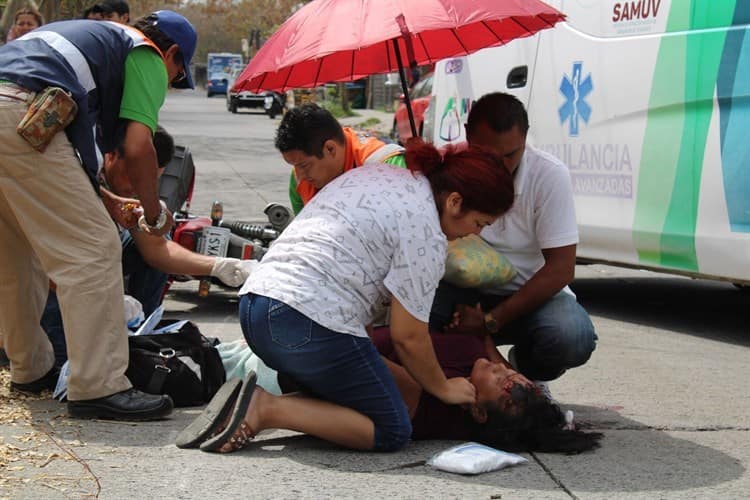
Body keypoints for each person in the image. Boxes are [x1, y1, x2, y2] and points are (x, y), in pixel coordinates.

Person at [185, 139, 515, 454]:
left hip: (256, 306)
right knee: (393, 428)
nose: (476, 233)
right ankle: (264, 409)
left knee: (388, 391)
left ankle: (255, 404)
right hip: (299, 323)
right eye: (479, 223)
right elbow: (409, 337)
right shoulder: (426, 231)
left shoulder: (386, 174)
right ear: (455, 201)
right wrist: (444, 387)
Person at [0, 11, 197, 420]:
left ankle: (30, 368)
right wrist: (153, 211)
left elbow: (70, 159)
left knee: (17, 251)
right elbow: (139, 146)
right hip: (23, 114)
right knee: (93, 249)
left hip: (15, 109)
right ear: (172, 53)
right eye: (176, 76)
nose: (168, 87)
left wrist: (103, 198)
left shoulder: (77, 35)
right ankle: (98, 386)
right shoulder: (143, 52)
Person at [41, 125, 255, 366]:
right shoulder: (73, 175)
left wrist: (218, 266)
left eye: (152, 180)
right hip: (46, 276)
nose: (139, 187)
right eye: (135, 177)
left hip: (87, 267)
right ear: (112, 156)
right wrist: (104, 298)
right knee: (57, 365)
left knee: (139, 249)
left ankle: (140, 340)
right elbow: (43, 263)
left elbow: (157, 250)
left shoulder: (128, 193)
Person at [442, 92, 597, 399]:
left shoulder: (549, 175)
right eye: (487, 155)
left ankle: (527, 374)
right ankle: (460, 377)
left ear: (526, 140)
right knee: (421, 307)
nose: (499, 166)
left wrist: (489, 322)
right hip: (463, 290)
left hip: (529, 294)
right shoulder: (450, 168)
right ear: (467, 138)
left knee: (571, 336)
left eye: (511, 155)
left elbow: (561, 269)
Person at [372, 327, 601, 453]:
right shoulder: (477, 362)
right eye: (511, 372)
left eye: (501, 379)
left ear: (478, 412)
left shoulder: (425, 401)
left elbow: (359, 354)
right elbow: (482, 336)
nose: (500, 367)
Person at [277, 103, 404, 214]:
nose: (300, 176)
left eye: (304, 166)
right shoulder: (299, 180)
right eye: (294, 166)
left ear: (330, 149)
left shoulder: (389, 168)